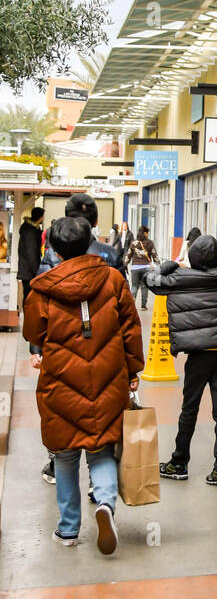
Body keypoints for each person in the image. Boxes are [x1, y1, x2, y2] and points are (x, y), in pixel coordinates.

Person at [23, 216, 144, 554]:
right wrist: (133, 369)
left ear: (55, 249)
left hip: (60, 381)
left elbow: (33, 333)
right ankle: (105, 504)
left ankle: (68, 530)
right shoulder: (113, 279)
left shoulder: (42, 287)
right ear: (89, 242)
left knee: (64, 457)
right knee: (101, 448)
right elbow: (131, 329)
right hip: (108, 377)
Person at [147, 234, 217, 486]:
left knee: (189, 408)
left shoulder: (179, 278)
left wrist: (170, 264)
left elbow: (151, 279)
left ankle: (179, 462)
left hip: (198, 356)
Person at [34, 194, 126, 487]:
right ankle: (101, 492)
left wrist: (37, 347)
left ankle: (68, 523)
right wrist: (132, 367)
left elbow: (37, 314)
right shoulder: (109, 256)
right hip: (105, 349)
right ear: (96, 221)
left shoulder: (52, 254)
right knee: (100, 420)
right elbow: (125, 312)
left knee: (64, 416)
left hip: (60, 350)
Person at [125, 224, 158, 310]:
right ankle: (143, 305)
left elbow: (128, 255)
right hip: (146, 267)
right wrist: (158, 263)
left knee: (134, 286)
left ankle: (132, 302)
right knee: (144, 286)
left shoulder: (133, 243)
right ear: (146, 233)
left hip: (135, 267)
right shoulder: (150, 243)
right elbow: (154, 255)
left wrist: (125, 264)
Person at [17, 206, 44, 306]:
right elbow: (31, 252)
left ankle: (28, 318)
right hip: (29, 272)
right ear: (40, 217)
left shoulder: (31, 229)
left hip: (27, 270)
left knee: (29, 296)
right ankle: (28, 319)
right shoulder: (30, 232)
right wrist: (37, 271)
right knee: (29, 297)